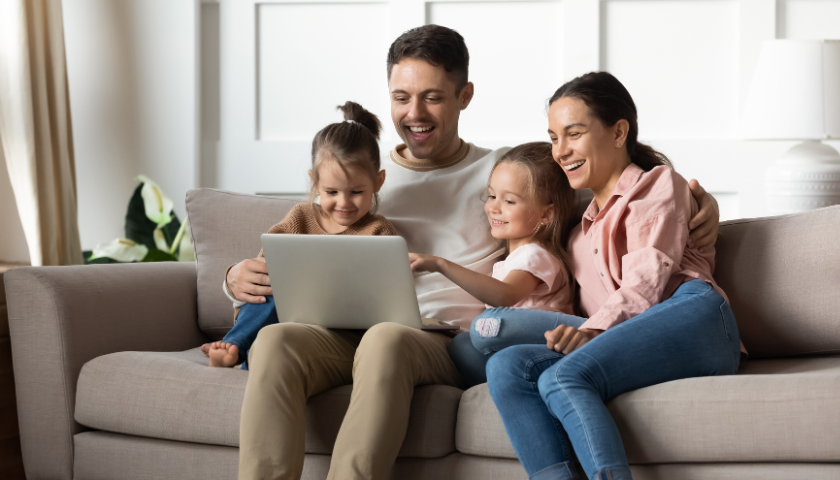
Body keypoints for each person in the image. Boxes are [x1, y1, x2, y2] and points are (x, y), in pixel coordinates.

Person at [227, 25, 721, 480]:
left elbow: (601, 191)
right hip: (337, 328)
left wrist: (701, 201)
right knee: (275, 342)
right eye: (401, 98)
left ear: (464, 96)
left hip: (430, 340)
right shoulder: (363, 175)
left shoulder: (499, 174)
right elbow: (301, 235)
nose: (414, 114)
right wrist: (235, 277)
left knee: (386, 339)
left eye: (432, 98)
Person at [485, 72, 744, 480]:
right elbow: (526, 210)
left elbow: (646, 281)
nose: (561, 150)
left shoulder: (657, 184)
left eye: (574, 134)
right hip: (623, 334)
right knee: (506, 366)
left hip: (696, 317)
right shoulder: (576, 229)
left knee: (565, 376)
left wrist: (592, 331)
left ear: (619, 131)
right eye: (553, 138)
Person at [203, 101, 396, 369]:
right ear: (315, 182)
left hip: (341, 332)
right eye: (331, 192)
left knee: (279, 345)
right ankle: (234, 345)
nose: (343, 203)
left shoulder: (379, 231)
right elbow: (263, 269)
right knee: (272, 286)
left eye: (356, 192)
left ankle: (247, 358)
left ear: (379, 181)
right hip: (289, 315)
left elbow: (388, 295)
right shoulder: (300, 218)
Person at [409, 142, 585, 388]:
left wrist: (441, 264)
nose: (493, 207)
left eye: (509, 201)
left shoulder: (537, 254)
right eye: (492, 195)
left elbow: (505, 296)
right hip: (518, 352)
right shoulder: (509, 261)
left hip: (551, 346)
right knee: (461, 345)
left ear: (546, 215)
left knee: (485, 325)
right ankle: (509, 379)